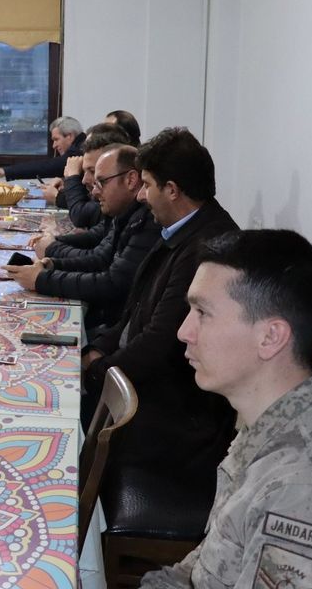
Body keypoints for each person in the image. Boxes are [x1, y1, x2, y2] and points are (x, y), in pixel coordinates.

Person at [141, 229, 312, 588]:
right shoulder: (268, 422)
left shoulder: (311, 490)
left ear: (270, 337)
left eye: (202, 312)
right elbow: (204, 568)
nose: (183, 331)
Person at [83, 127, 238, 485]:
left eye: (147, 185)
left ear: (172, 189)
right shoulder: (179, 230)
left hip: (171, 413)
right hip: (145, 386)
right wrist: (97, 349)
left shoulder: (206, 247)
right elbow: (134, 313)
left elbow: (159, 344)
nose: (140, 196)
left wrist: (96, 370)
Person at [7, 145, 158, 333]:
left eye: (100, 181)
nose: (93, 190)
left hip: (111, 327)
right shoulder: (126, 213)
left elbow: (112, 283)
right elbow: (100, 258)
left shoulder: (147, 220)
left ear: (131, 180)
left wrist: (42, 279)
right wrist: (53, 264)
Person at [0, 116, 85, 181]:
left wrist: (5, 171)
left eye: (56, 139)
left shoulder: (80, 150)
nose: (54, 146)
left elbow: (47, 166)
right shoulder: (80, 145)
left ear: (69, 136)